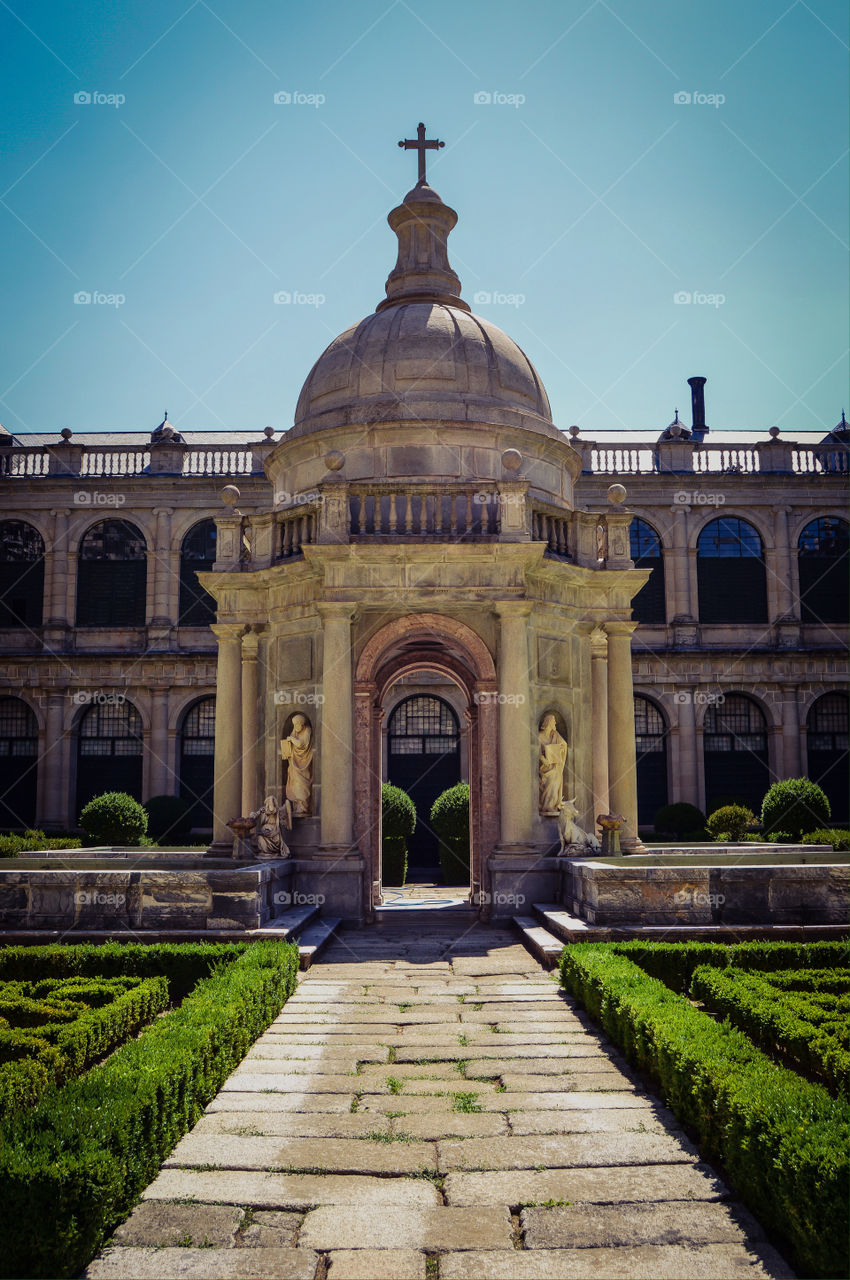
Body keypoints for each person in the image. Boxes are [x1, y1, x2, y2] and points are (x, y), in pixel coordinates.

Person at [280, 713, 314, 825]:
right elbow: (292, 744)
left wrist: (292, 740)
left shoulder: (307, 730)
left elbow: (302, 744)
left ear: (302, 724)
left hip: (303, 764)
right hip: (293, 763)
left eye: (296, 724)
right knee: (294, 784)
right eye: (294, 725)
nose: (295, 727)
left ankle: (303, 806)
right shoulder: (295, 732)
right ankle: (296, 806)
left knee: (301, 784)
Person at [538, 713, 568, 816]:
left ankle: (553, 804)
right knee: (551, 779)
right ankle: (547, 805)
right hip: (544, 767)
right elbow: (536, 752)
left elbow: (564, 745)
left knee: (556, 776)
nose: (555, 723)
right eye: (553, 721)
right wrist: (543, 758)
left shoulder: (555, 735)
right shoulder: (539, 736)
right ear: (549, 722)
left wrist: (560, 749)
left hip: (554, 766)